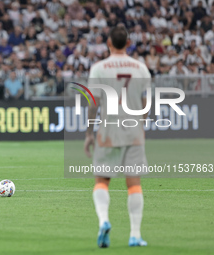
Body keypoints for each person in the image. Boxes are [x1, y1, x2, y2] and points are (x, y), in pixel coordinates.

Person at [85, 26, 151, 248]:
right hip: (133, 129)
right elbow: (145, 103)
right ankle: (135, 234)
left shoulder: (99, 68)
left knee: (102, 180)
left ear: (109, 43)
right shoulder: (141, 68)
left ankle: (104, 221)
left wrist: (89, 133)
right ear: (129, 43)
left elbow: (93, 102)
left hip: (108, 129)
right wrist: (141, 125)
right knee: (134, 184)